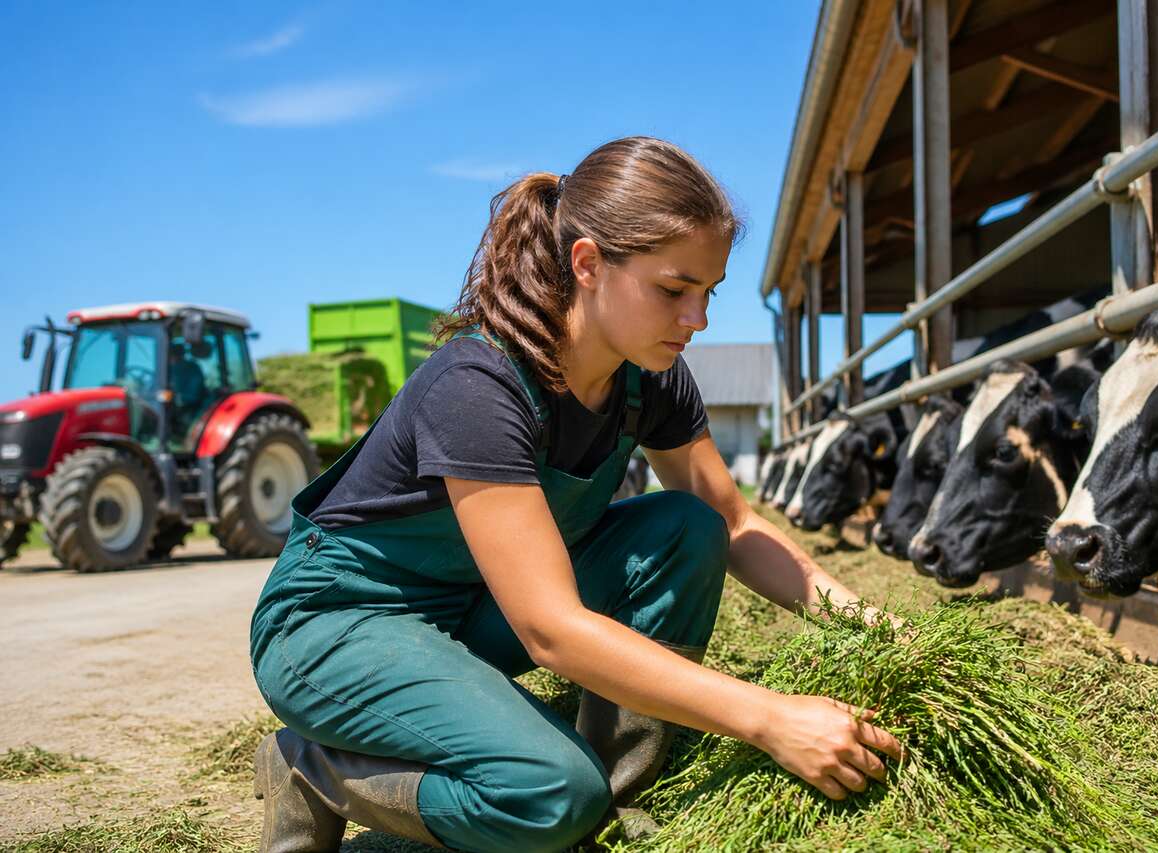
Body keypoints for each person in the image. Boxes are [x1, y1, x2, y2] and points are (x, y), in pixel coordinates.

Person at [248, 136, 903, 853]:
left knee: (688, 527)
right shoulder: (480, 386)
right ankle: (314, 765)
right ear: (588, 263)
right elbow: (550, 629)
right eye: (674, 289)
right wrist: (771, 717)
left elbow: (737, 521)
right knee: (550, 789)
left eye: (709, 292)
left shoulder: (648, 378)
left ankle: (613, 808)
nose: (699, 320)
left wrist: (880, 626)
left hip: (471, 609)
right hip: (343, 623)